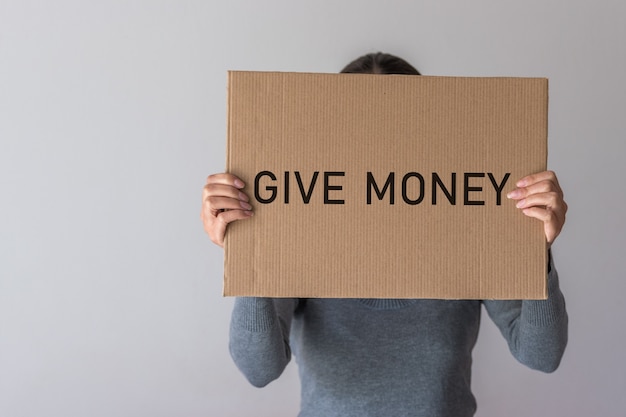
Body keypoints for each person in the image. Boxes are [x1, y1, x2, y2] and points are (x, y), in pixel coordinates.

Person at [201, 52, 568, 417]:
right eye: (362, 123)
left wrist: (535, 247)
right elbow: (259, 369)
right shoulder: (301, 231)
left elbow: (541, 356)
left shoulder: (468, 225)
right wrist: (249, 248)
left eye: (393, 123)